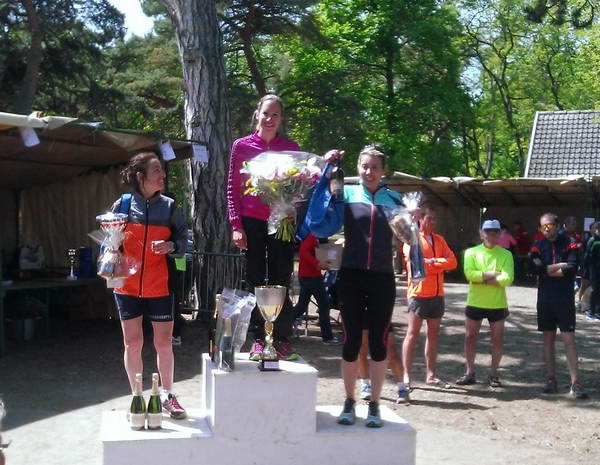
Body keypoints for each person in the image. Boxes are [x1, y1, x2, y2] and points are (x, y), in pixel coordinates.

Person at [303, 144, 403, 427]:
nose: (368, 172)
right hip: (351, 276)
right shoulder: (345, 194)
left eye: (374, 167)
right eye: (364, 166)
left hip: (383, 278)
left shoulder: (395, 199)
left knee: (379, 343)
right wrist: (327, 169)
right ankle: (349, 400)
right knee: (351, 341)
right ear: (357, 168)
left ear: (383, 171)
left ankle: (375, 404)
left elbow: (409, 237)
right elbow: (318, 216)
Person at [111, 151, 188, 419]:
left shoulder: (170, 207)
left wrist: (172, 246)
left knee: (163, 343)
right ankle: (136, 397)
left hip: (160, 286)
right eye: (157, 171)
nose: (163, 175)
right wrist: (109, 257)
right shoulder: (121, 205)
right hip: (127, 286)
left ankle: (167, 395)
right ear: (141, 176)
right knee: (132, 343)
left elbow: (185, 241)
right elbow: (108, 243)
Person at [227, 94, 300, 361]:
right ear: (257, 114)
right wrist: (236, 224)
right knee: (256, 278)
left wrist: (292, 207)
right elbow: (232, 188)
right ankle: (260, 338)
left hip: (281, 221)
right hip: (251, 221)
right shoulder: (241, 146)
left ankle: (280, 338)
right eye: (265, 114)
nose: (269, 119)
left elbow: (297, 188)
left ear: (281, 118)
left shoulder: (290, 147)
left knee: (281, 276)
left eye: (275, 115)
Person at [530, 213, 588, 399]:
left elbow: (572, 268)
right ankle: (550, 379)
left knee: (569, 339)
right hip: (545, 299)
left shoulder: (569, 242)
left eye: (549, 226)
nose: (547, 229)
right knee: (548, 340)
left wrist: (546, 270)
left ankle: (575, 382)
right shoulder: (538, 245)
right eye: (543, 227)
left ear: (556, 225)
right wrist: (558, 266)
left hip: (564, 299)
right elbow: (532, 269)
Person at [401, 206, 457, 400]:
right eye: (429, 218)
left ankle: (431, 375)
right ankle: (406, 376)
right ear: (420, 219)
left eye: (435, 219)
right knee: (412, 334)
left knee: (433, 336)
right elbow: (416, 265)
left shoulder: (440, 239)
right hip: (418, 294)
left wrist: (433, 262)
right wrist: (438, 264)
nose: (432, 222)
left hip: (437, 294)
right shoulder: (412, 239)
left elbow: (453, 262)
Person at [458, 219, 513, 388]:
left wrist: (482, 278)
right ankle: (470, 372)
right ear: (482, 234)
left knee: (497, 340)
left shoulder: (506, 254)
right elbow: (469, 275)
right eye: (488, 232)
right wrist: (493, 274)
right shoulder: (471, 253)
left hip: (497, 304)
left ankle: (494, 374)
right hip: (475, 302)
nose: (491, 235)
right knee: (470, 337)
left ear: (499, 234)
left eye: (495, 232)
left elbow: (508, 279)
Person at [292, 233, 339, 344]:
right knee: (324, 304)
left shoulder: (315, 236)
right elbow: (304, 252)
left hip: (308, 275)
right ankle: (327, 337)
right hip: (312, 276)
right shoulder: (311, 236)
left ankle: (282, 326)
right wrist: (317, 264)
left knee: (302, 306)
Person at [581, 221, 600, 317]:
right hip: (593, 269)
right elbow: (587, 256)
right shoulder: (592, 240)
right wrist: (587, 268)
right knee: (594, 289)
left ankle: (598, 310)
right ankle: (592, 311)